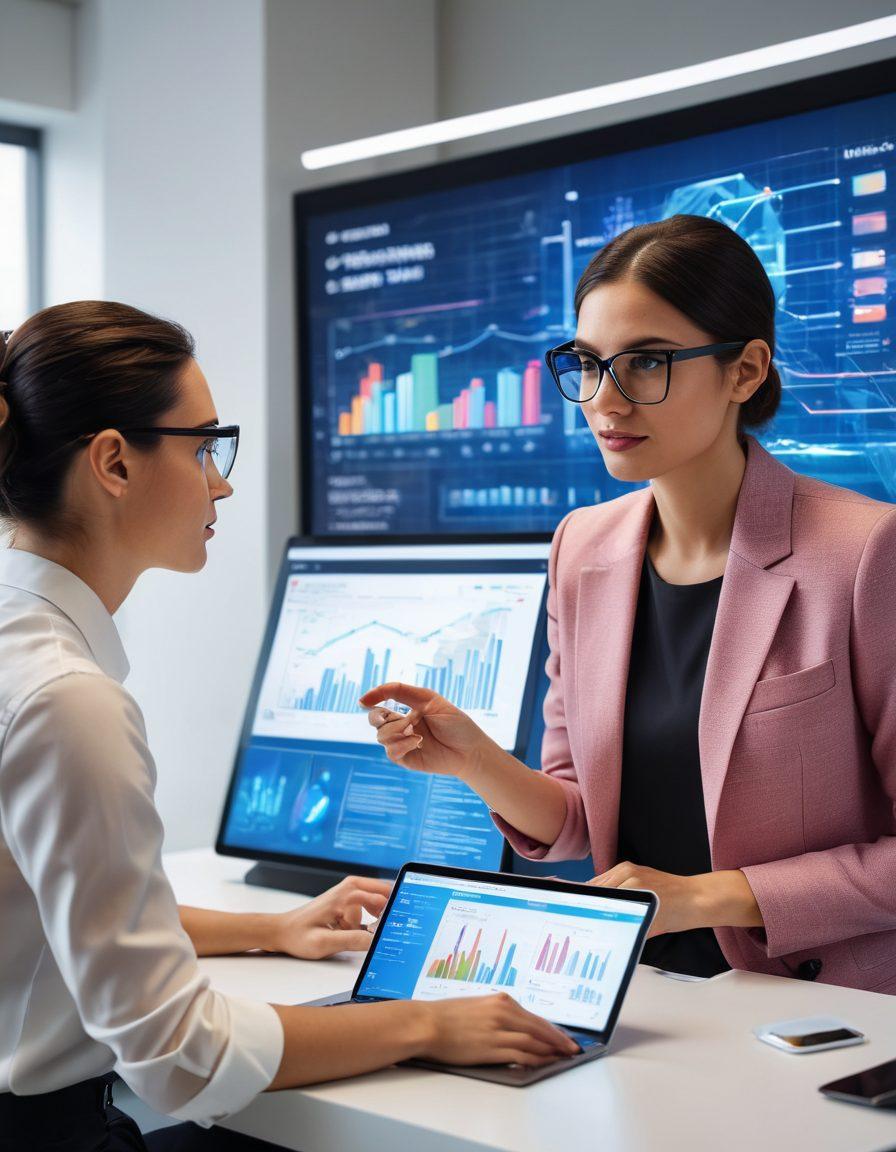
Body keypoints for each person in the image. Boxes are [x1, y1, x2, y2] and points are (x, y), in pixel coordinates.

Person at [0, 302, 578, 1152]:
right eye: (205, 447)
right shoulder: (66, 700)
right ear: (114, 462)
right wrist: (427, 1026)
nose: (222, 481)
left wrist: (271, 930)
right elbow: (177, 1057)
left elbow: (59, 910)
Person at [363, 213, 896, 992]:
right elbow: (583, 819)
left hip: (816, 1012)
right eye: (588, 364)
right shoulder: (581, 547)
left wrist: (707, 898)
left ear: (745, 372)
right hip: (635, 996)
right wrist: (477, 762)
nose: (605, 401)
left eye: (647, 363)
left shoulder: (864, 554)